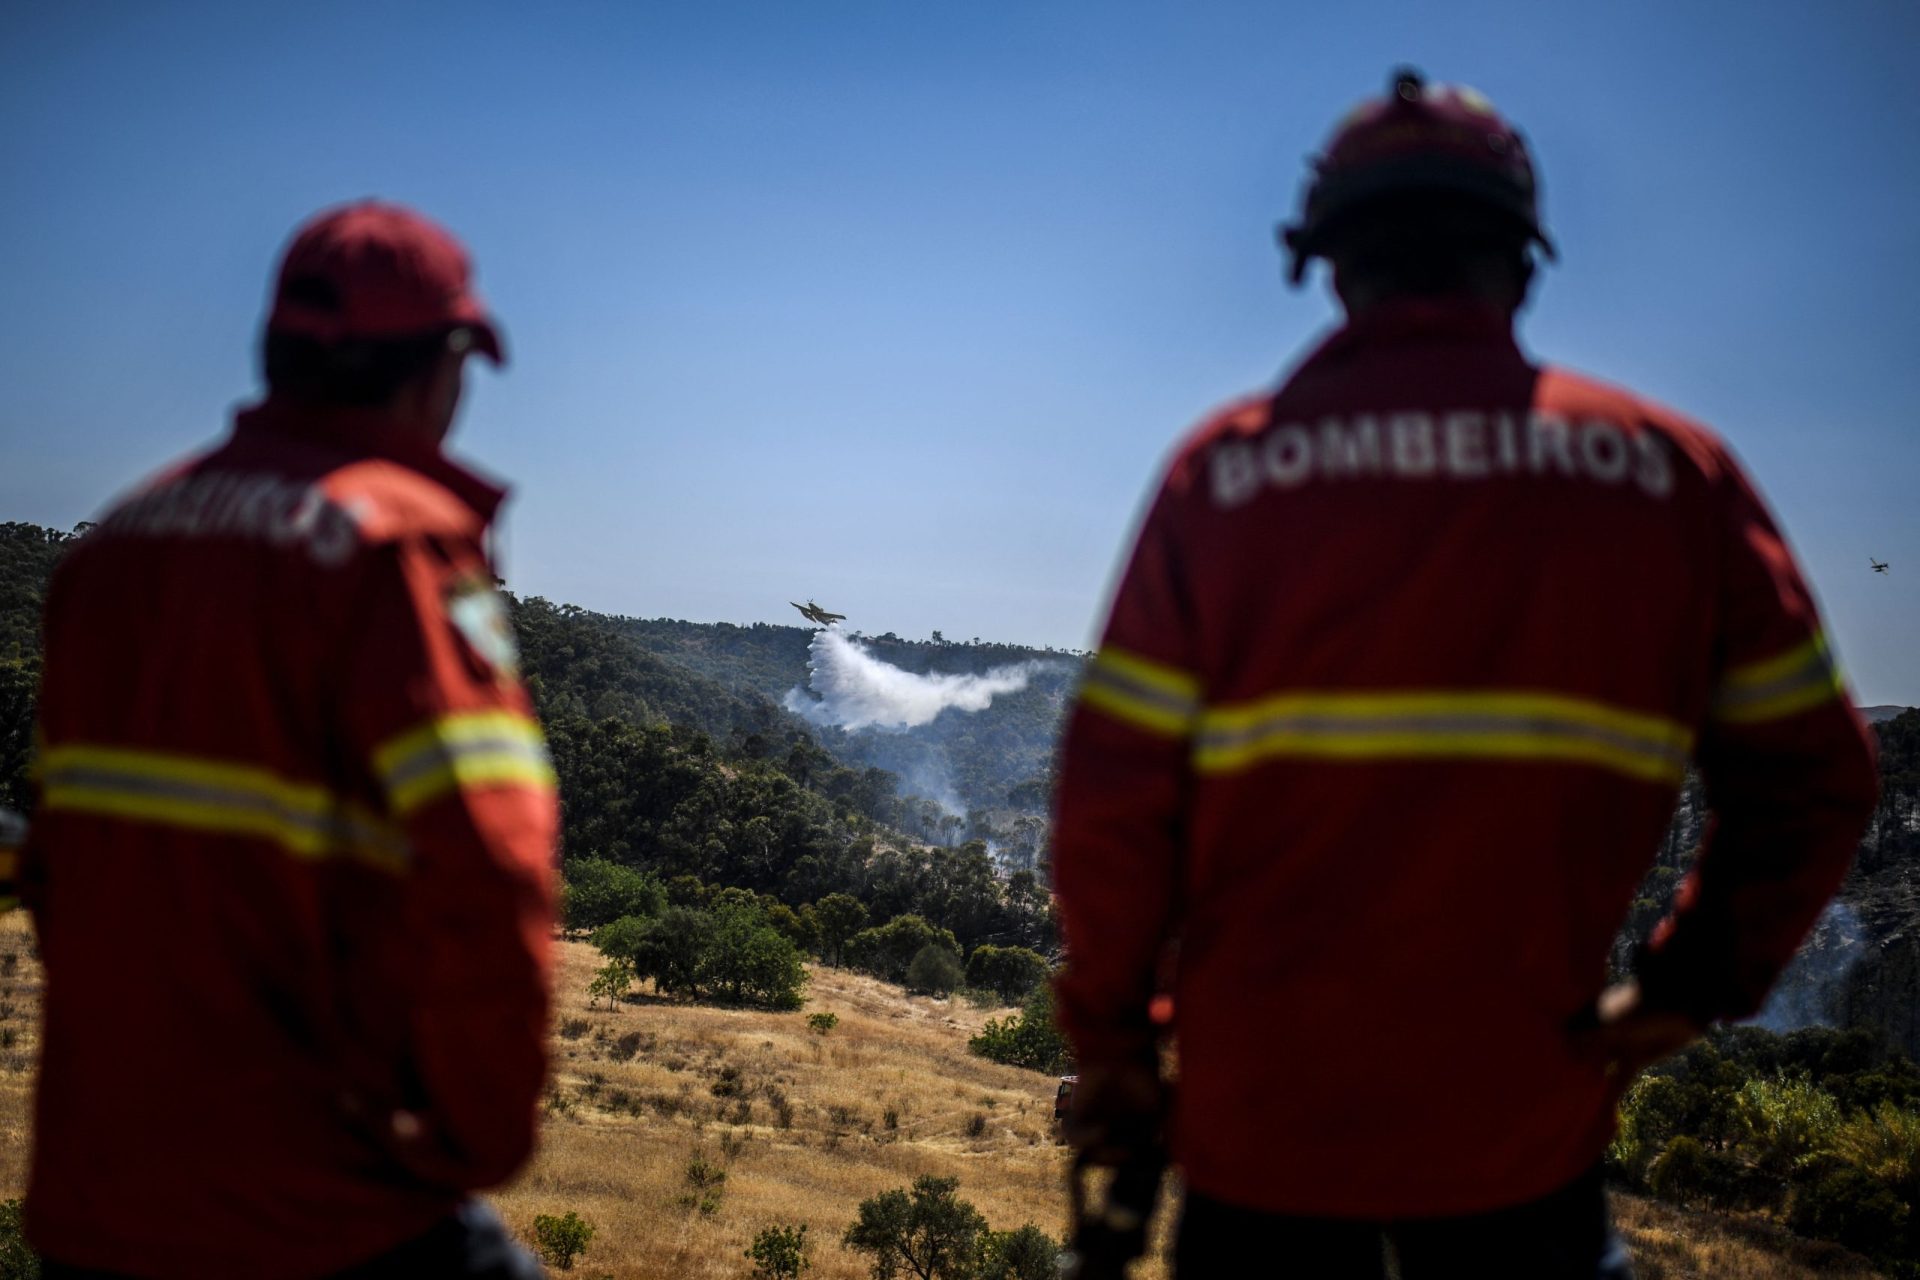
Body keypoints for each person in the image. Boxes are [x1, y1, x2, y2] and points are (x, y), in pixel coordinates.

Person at [1051, 70, 1879, 1279]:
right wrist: (1683, 987)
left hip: (1263, 1153)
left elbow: (1109, 810)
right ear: (1524, 259)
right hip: (1524, 1144)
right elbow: (1817, 774)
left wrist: (1121, 1054)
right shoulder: (1671, 475)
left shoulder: (1220, 479)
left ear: (1328, 265)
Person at [21, 202, 558, 1278]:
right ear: (438, 364)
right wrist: (478, 1134)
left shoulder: (117, 543)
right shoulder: (394, 546)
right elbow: (491, 863)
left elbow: (65, 855)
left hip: (100, 1194)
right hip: (318, 1206)